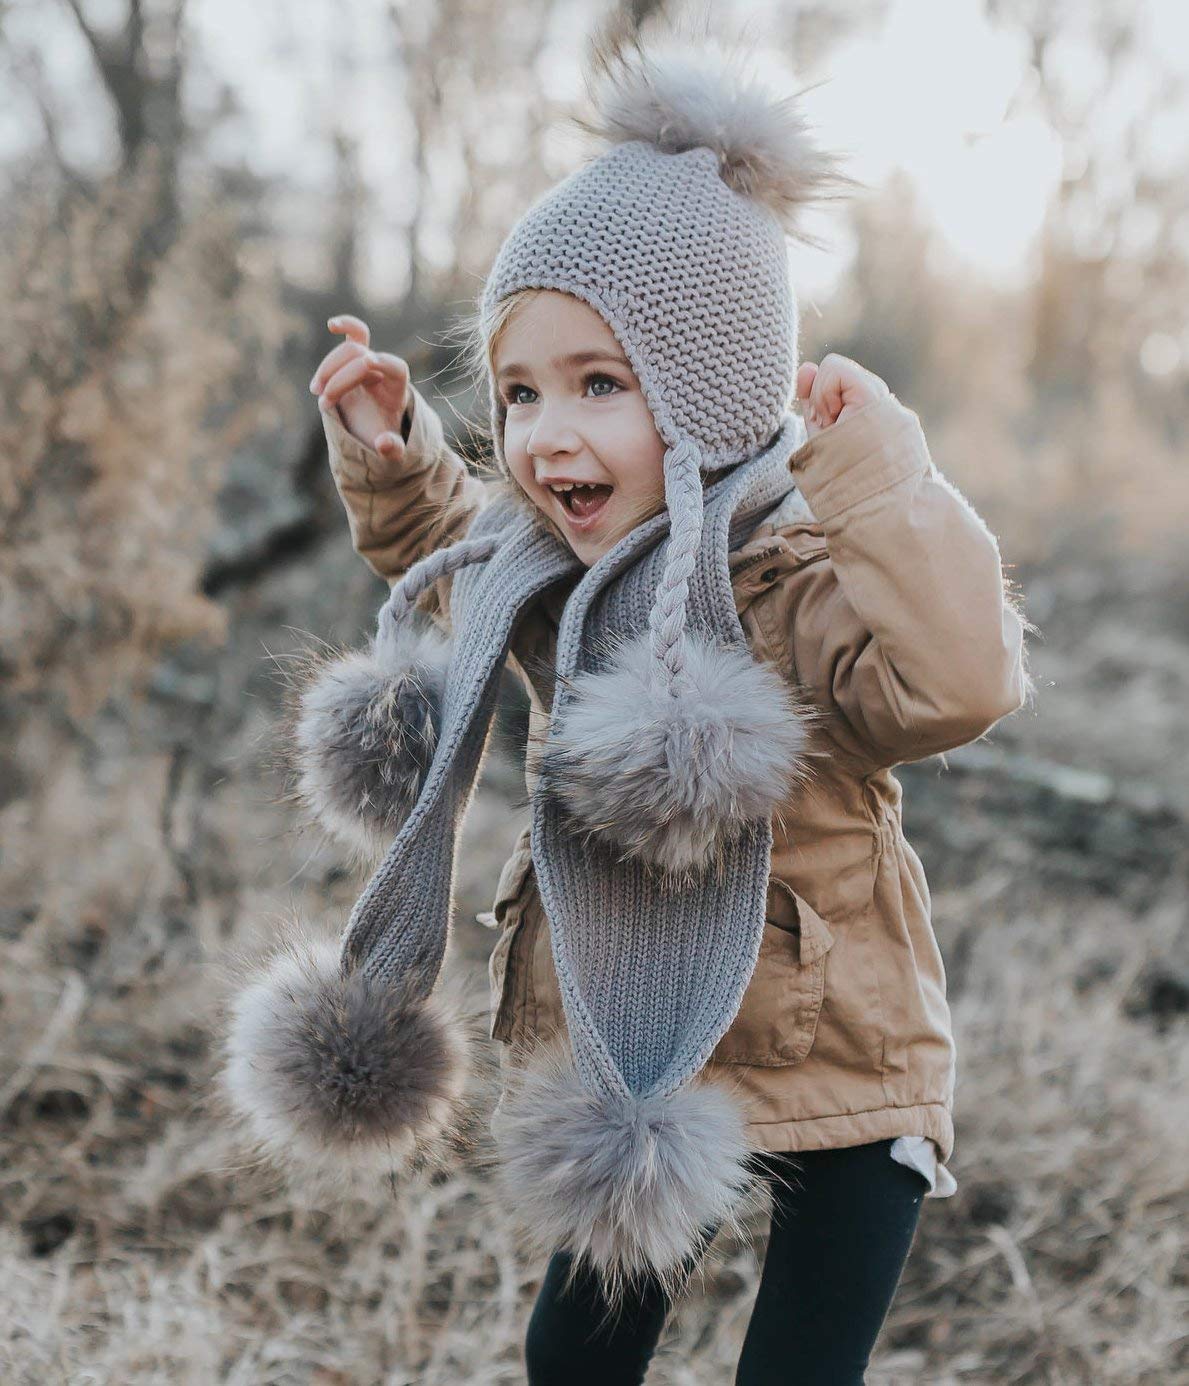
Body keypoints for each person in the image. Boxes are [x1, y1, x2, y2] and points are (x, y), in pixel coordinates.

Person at [225, 26, 1029, 1386]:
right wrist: (391, 449)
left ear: (715, 395)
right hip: (636, 1051)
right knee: (574, 1357)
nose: (545, 431)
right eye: (520, 388)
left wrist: (879, 477)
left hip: (841, 1064)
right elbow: (457, 544)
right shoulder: (557, 567)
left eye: (602, 385)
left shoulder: (800, 581)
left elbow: (956, 682)